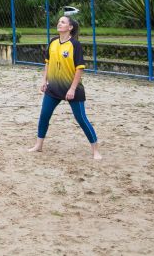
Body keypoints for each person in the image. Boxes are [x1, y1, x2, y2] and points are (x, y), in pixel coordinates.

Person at [29, 15, 101, 160]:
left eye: (63, 22)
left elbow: (79, 68)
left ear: (70, 27)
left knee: (81, 119)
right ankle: (39, 145)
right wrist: (44, 80)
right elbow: (47, 63)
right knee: (44, 115)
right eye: (59, 21)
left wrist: (72, 89)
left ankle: (95, 150)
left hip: (72, 88)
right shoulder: (53, 42)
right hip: (53, 87)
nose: (59, 23)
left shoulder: (75, 45)